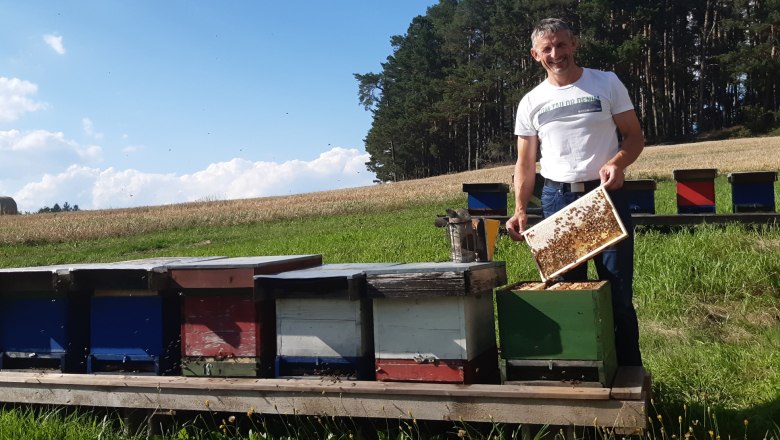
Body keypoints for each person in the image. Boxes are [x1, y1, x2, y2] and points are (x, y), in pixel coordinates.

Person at [505, 18, 644, 366]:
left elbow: (634, 137)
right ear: (535, 55)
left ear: (574, 44)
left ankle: (628, 375)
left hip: (605, 198)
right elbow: (525, 164)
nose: (557, 54)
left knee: (618, 295)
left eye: (562, 45)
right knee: (569, 296)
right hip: (557, 201)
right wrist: (521, 207)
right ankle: (580, 374)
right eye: (548, 49)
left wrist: (617, 163)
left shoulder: (606, 82)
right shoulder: (531, 102)